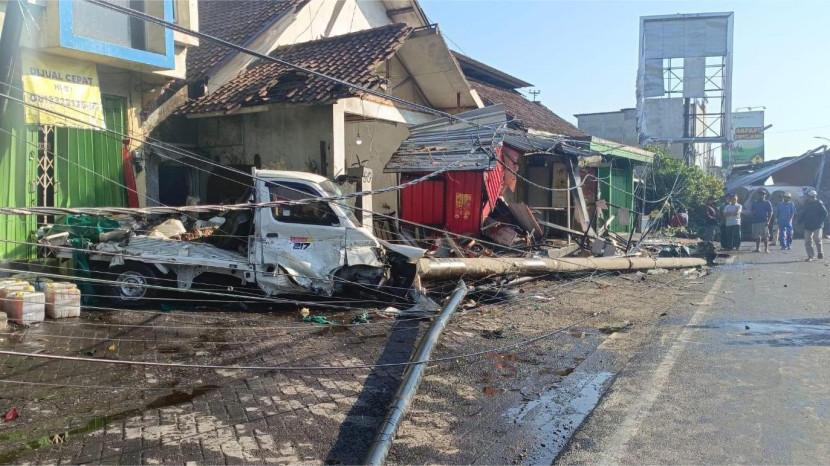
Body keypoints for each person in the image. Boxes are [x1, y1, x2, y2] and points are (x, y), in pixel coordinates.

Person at [799, 190, 828, 261]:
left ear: (814, 196)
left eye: (812, 197)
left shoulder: (819, 203)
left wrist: (820, 222)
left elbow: (825, 213)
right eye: (810, 197)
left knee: (817, 239)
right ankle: (810, 256)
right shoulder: (806, 204)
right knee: (807, 241)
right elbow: (803, 213)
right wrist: (799, 221)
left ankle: (820, 252)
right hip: (808, 225)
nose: (810, 198)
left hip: (817, 225)